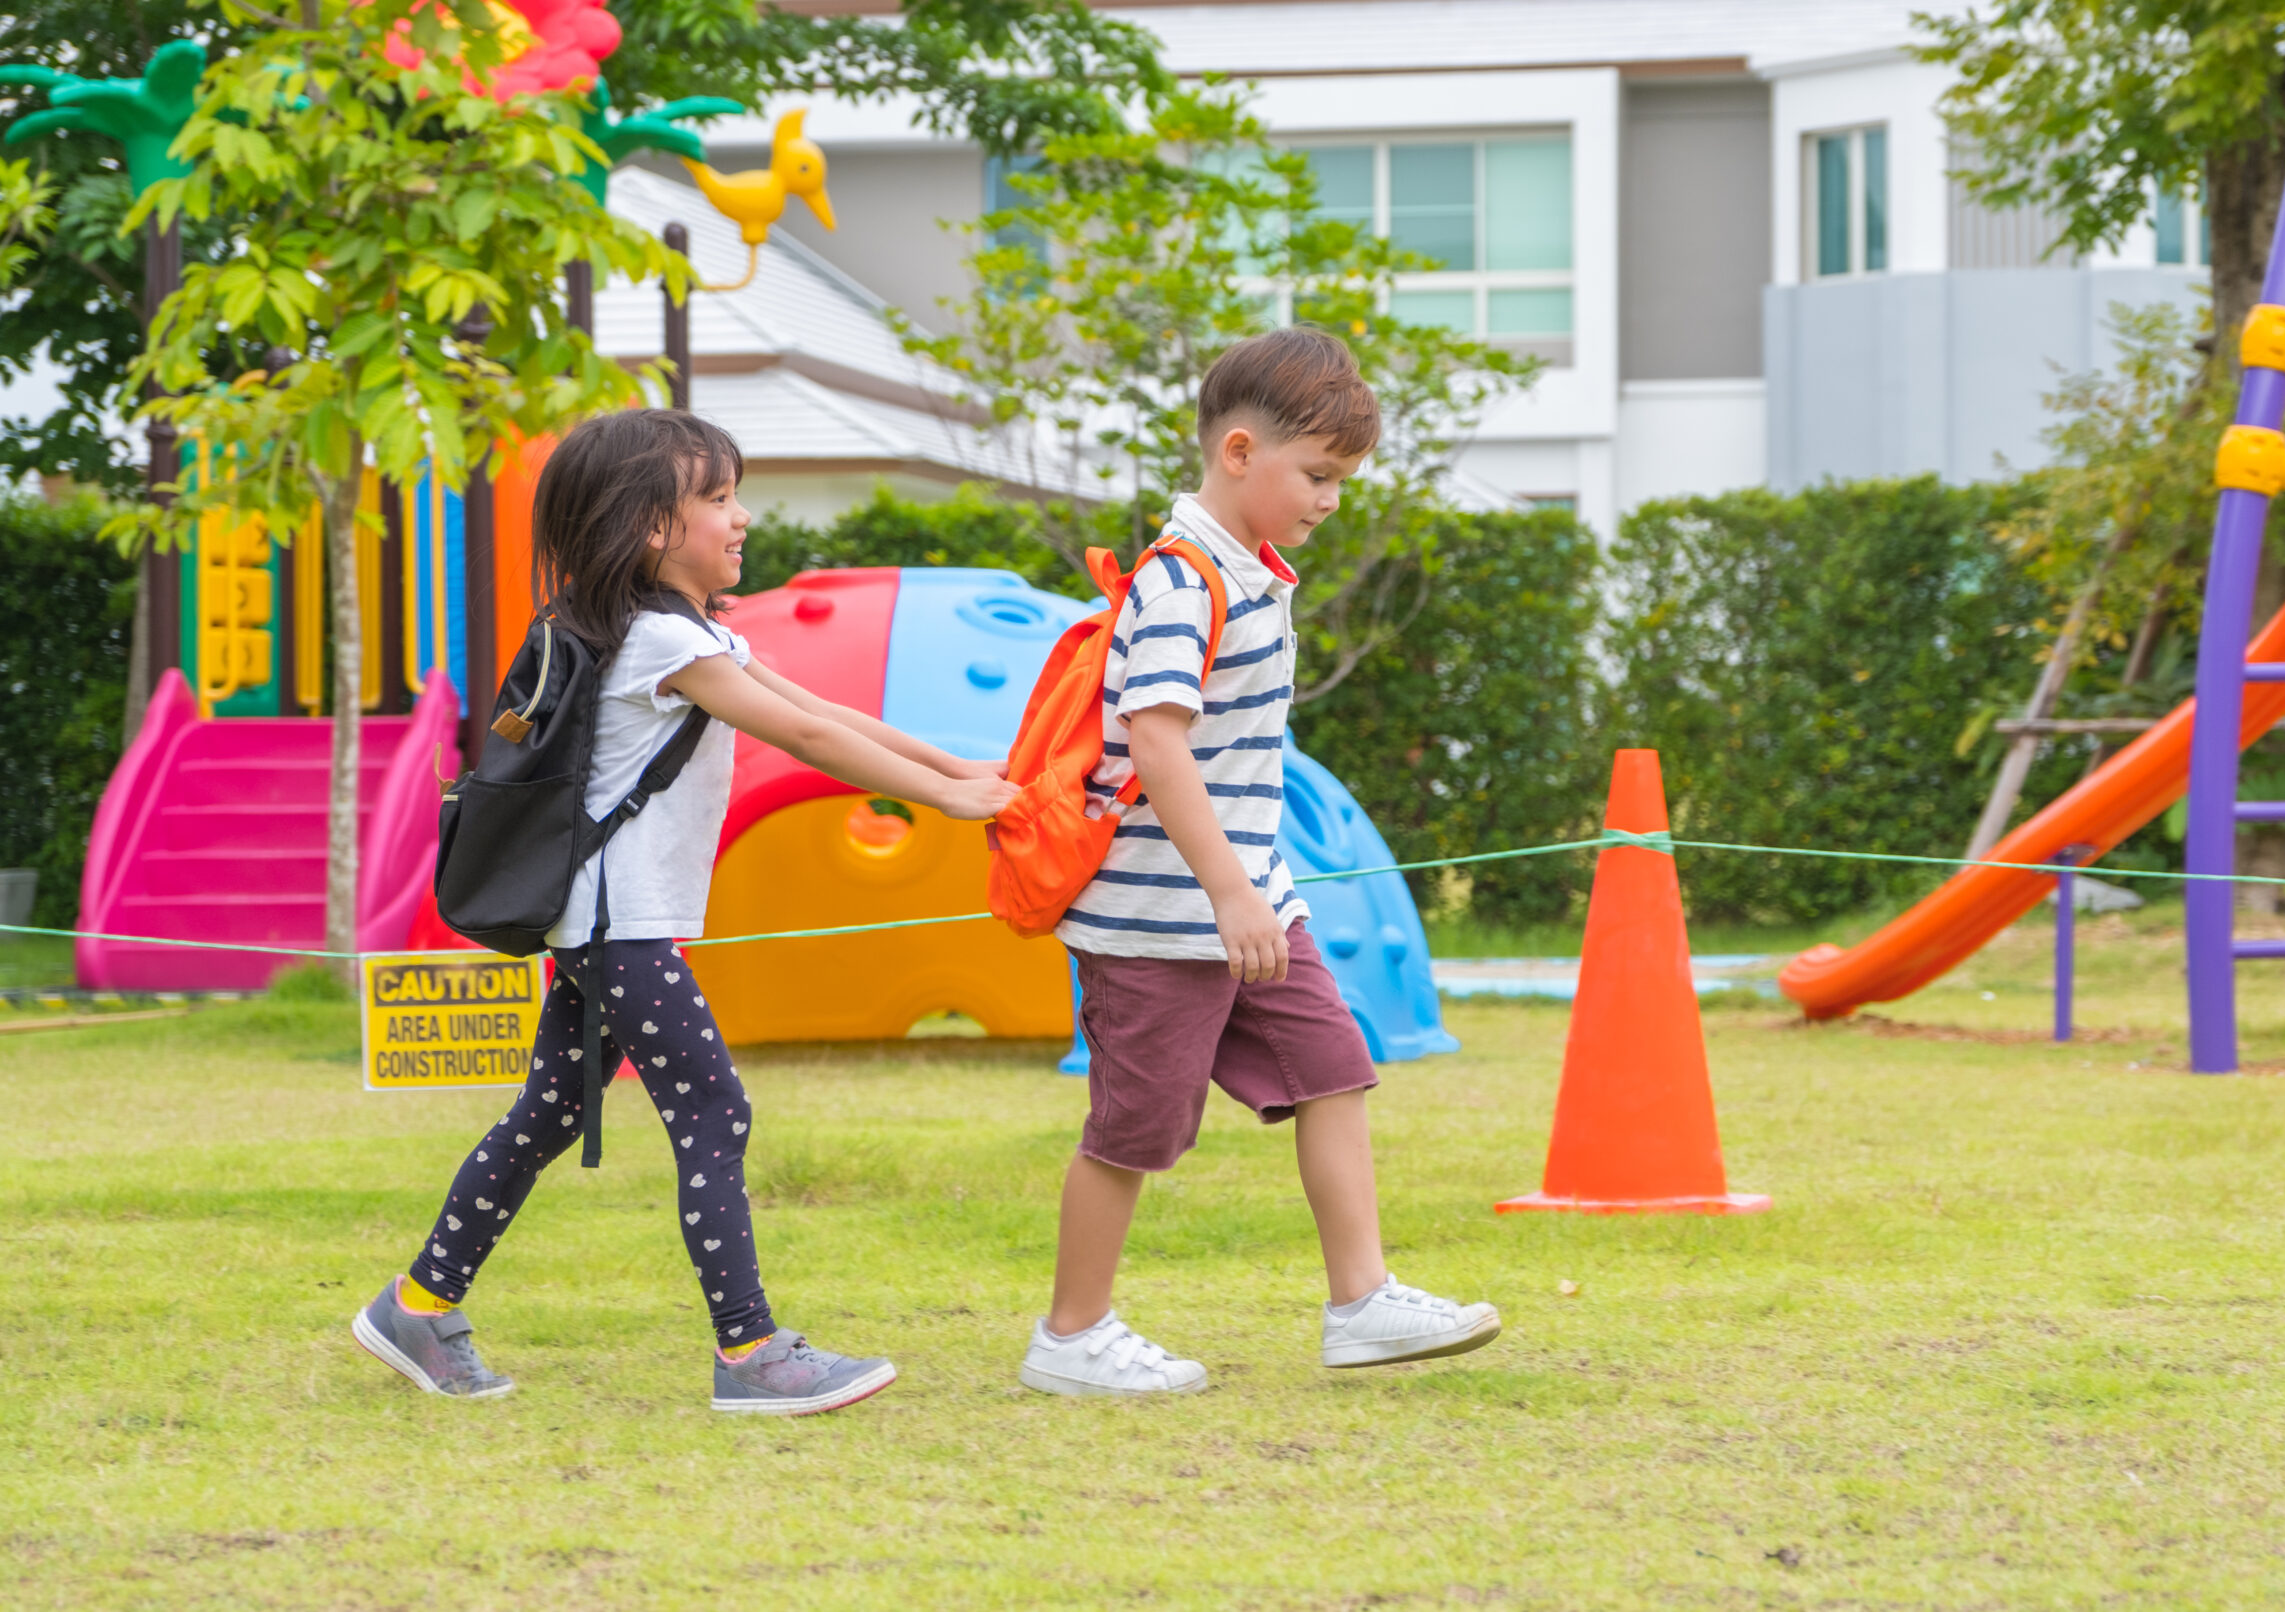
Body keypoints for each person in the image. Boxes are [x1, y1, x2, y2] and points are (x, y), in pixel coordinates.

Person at [353, 409, 1016, 1415]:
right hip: (622, 929)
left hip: (600, 926)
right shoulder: (659, 637)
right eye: (717, 498)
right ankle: (749, 1351)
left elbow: (830, 715)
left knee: (549, 1112)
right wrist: (954, 802)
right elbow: (802, 733)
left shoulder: (683, 630)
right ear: (650, 527)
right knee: (714, 1110)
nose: (742, 516)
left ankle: (418, 1302)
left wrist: (962, 769)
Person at [1022, 328, 1500, 1396]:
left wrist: (1253, 894)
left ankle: (1361, 1302)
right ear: (1239, 452)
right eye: (1318, 475)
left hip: (1251, 908)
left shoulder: (1248, 573)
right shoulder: (1182, 580)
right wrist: (1229, 890)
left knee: (1334, 1070)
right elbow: (1157, 743)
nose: (1331, 499)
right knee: (1134, 1132)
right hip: (1163, 920)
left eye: (1342, 480)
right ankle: (1071, 1334)